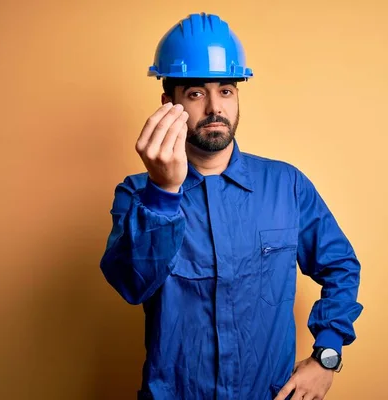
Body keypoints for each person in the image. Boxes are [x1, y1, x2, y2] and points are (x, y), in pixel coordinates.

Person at [100, 12, 363, 400]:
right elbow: (131, 286)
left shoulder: (286, 185)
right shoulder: (138, 194)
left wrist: (326, 355)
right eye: (194, 93)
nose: (213, 108)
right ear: (168, 102)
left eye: (225, 90)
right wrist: (164, 192)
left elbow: (341, 266)